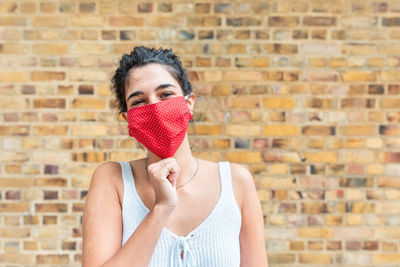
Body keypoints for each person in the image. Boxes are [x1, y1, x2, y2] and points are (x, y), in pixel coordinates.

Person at [82, 46, 268, 267]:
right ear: (128, 119)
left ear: (189, 103)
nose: (154, 107)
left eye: (166, 94)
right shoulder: (112, 180)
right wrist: (161, 208)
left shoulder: (237, 182)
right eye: (139, 101)